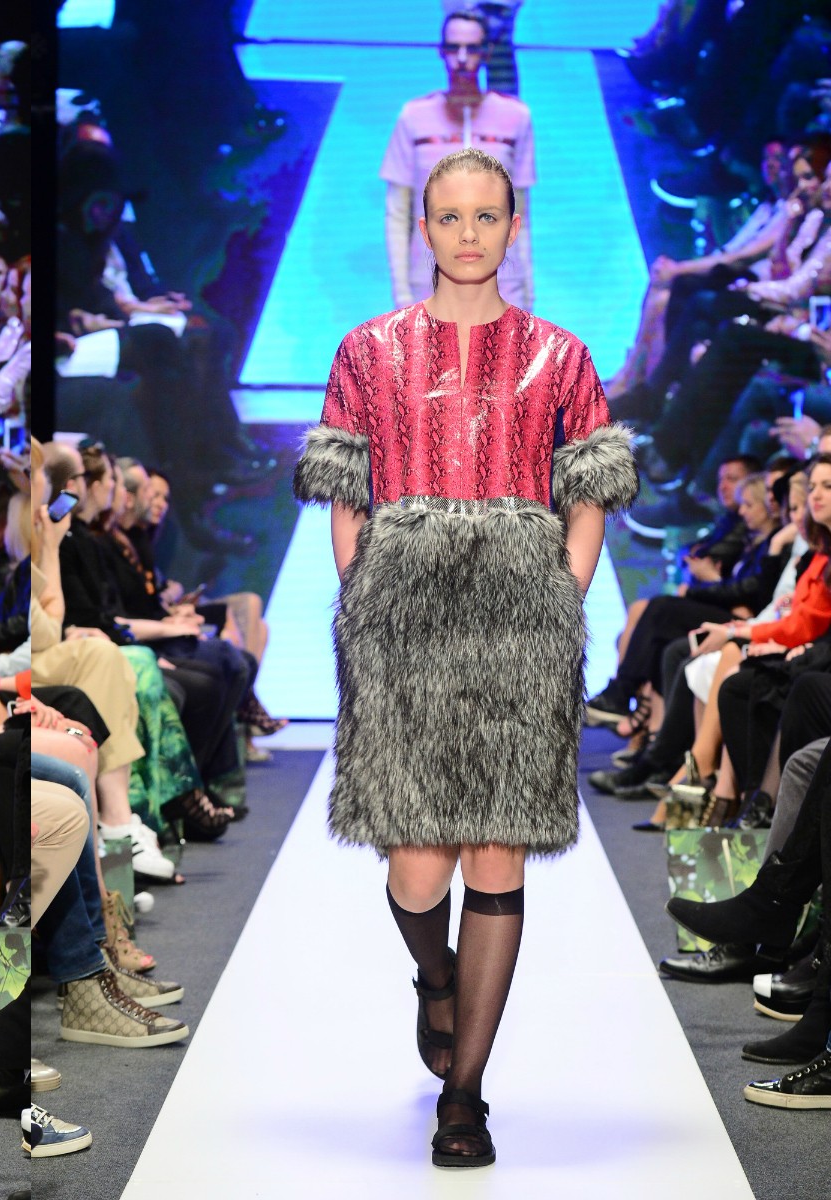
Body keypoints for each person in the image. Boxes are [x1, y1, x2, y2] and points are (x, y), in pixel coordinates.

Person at [292, 147, 635, 1168]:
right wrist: (366, 603)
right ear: (424, 228)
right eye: (450, 216)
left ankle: (465, 1096)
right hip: (401, 630)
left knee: (496, 853)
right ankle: (435, 976)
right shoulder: (367, 351)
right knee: (414, 868)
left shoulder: (562, 355)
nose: (470, 233)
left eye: (488, 216)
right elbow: (346, 495)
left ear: (513, 226)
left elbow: (589, 493)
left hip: (521, 633)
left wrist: (560, 598)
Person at [382, 12, 535, 311]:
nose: (462, 58)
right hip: (429, 286)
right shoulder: (414, 117)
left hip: (503, 287)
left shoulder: (515, 118)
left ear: (487, 52)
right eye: (454, 48)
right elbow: (397, 214)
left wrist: (527, 299)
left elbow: (522, 216)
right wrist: (402, 297)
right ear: (441, 51)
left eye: (472, 48)